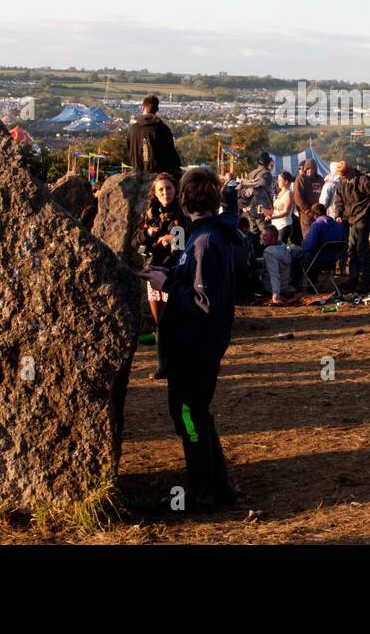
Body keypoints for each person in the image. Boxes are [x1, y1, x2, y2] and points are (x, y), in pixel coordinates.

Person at [141, 167, 241, 511]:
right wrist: (167, 273)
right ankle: (217, 484)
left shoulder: (204, 241)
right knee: (197, 413)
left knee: (188, 414)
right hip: (200, 342)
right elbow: (197, 281)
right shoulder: (210, 235)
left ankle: (203, 491)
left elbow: (203, 301)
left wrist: (167, 286)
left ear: (184, 199)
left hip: (195, 344)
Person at [134, 172, 186, 379]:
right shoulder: (150, 214)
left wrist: (172, 238)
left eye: (169, 188)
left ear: (175, 190)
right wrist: (148, 236)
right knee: (160, 323)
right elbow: (138, 246)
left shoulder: (182, 213)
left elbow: (182, 245)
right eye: (161, 189)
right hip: (152, 269)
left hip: (173, 272)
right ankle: (164, 365)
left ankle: (180, 362)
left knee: (175, 320)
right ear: (155, 193)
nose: (166, 192)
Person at [338, 165, 370, 291]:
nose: (343, 178)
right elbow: (339, 199)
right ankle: (353, 277)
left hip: (363, 217)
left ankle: (366, 279)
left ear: (350, 171)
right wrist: (339, 213)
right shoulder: (343, 182)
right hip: (351, 218)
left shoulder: (363, 180)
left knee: (362, 248)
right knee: (351, 248)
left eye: (344, 175)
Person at [127, 95, 183, 178]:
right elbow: (171, 155)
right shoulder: (163, 128)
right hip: (159, 175)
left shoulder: (132, 129)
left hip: (137, 173)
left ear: (142, 108)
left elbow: (130, 151)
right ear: (157, 109)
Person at [300, 203, 345, 285]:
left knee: (298, 256)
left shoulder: (316, 225)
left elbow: (310, 247)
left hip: (318, 261)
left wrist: (303, 244)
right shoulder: (338, 225)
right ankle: (313, 283)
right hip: (333, 261)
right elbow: (343, 244)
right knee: (312, 255)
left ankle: (308, 285)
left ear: (315, 214)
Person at [257, 225, 298, 305]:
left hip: (272, 288)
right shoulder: (282, 245)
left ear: (273, 238)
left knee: (250, 276)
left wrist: (275, 294)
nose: (262, 237)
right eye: (262, 234)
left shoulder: (269, 252)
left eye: (265, 235)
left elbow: (274, 275)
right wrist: (258, 261)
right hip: (285, 284)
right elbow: (277, 262)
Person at [292, 159, 324, 241]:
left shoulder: (320, 179)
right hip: (307, 215)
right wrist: (307, 211)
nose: (310, 171)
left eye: (312, 169)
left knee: (320, 237)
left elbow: (324, 195)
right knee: (308, 238)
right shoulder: (301, 178)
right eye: (308, 168)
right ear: (305, 169)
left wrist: (321, 211)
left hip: (319, 214)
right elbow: (298, 197)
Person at [264, 172, 296, 244]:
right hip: (276, 225)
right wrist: (267, 212)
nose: (277, 182)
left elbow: (286, 212)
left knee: (280, 247)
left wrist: (273, 217)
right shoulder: (280, 193)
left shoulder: (288, 193)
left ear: (286, 181)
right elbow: (276, 209)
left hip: (284, 225)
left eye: (279, 180)